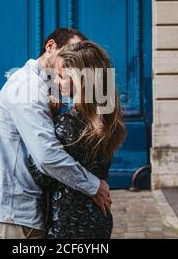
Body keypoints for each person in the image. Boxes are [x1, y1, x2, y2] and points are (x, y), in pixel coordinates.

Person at [0, 28, 112, 239]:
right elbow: (46, 156)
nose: (71, 59)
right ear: (50, 47)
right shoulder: (27, 86)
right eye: (69, 51)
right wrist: (93, 186)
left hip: (34, 213)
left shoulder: (51, 87)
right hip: (16, 215)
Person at [28, 41, 127, 239]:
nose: (55, 82)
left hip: (68, 224)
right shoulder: (106, 119)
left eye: (62, 77)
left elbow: (40, 170)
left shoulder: (68, 124)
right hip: (98, 218)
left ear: (81, 81)